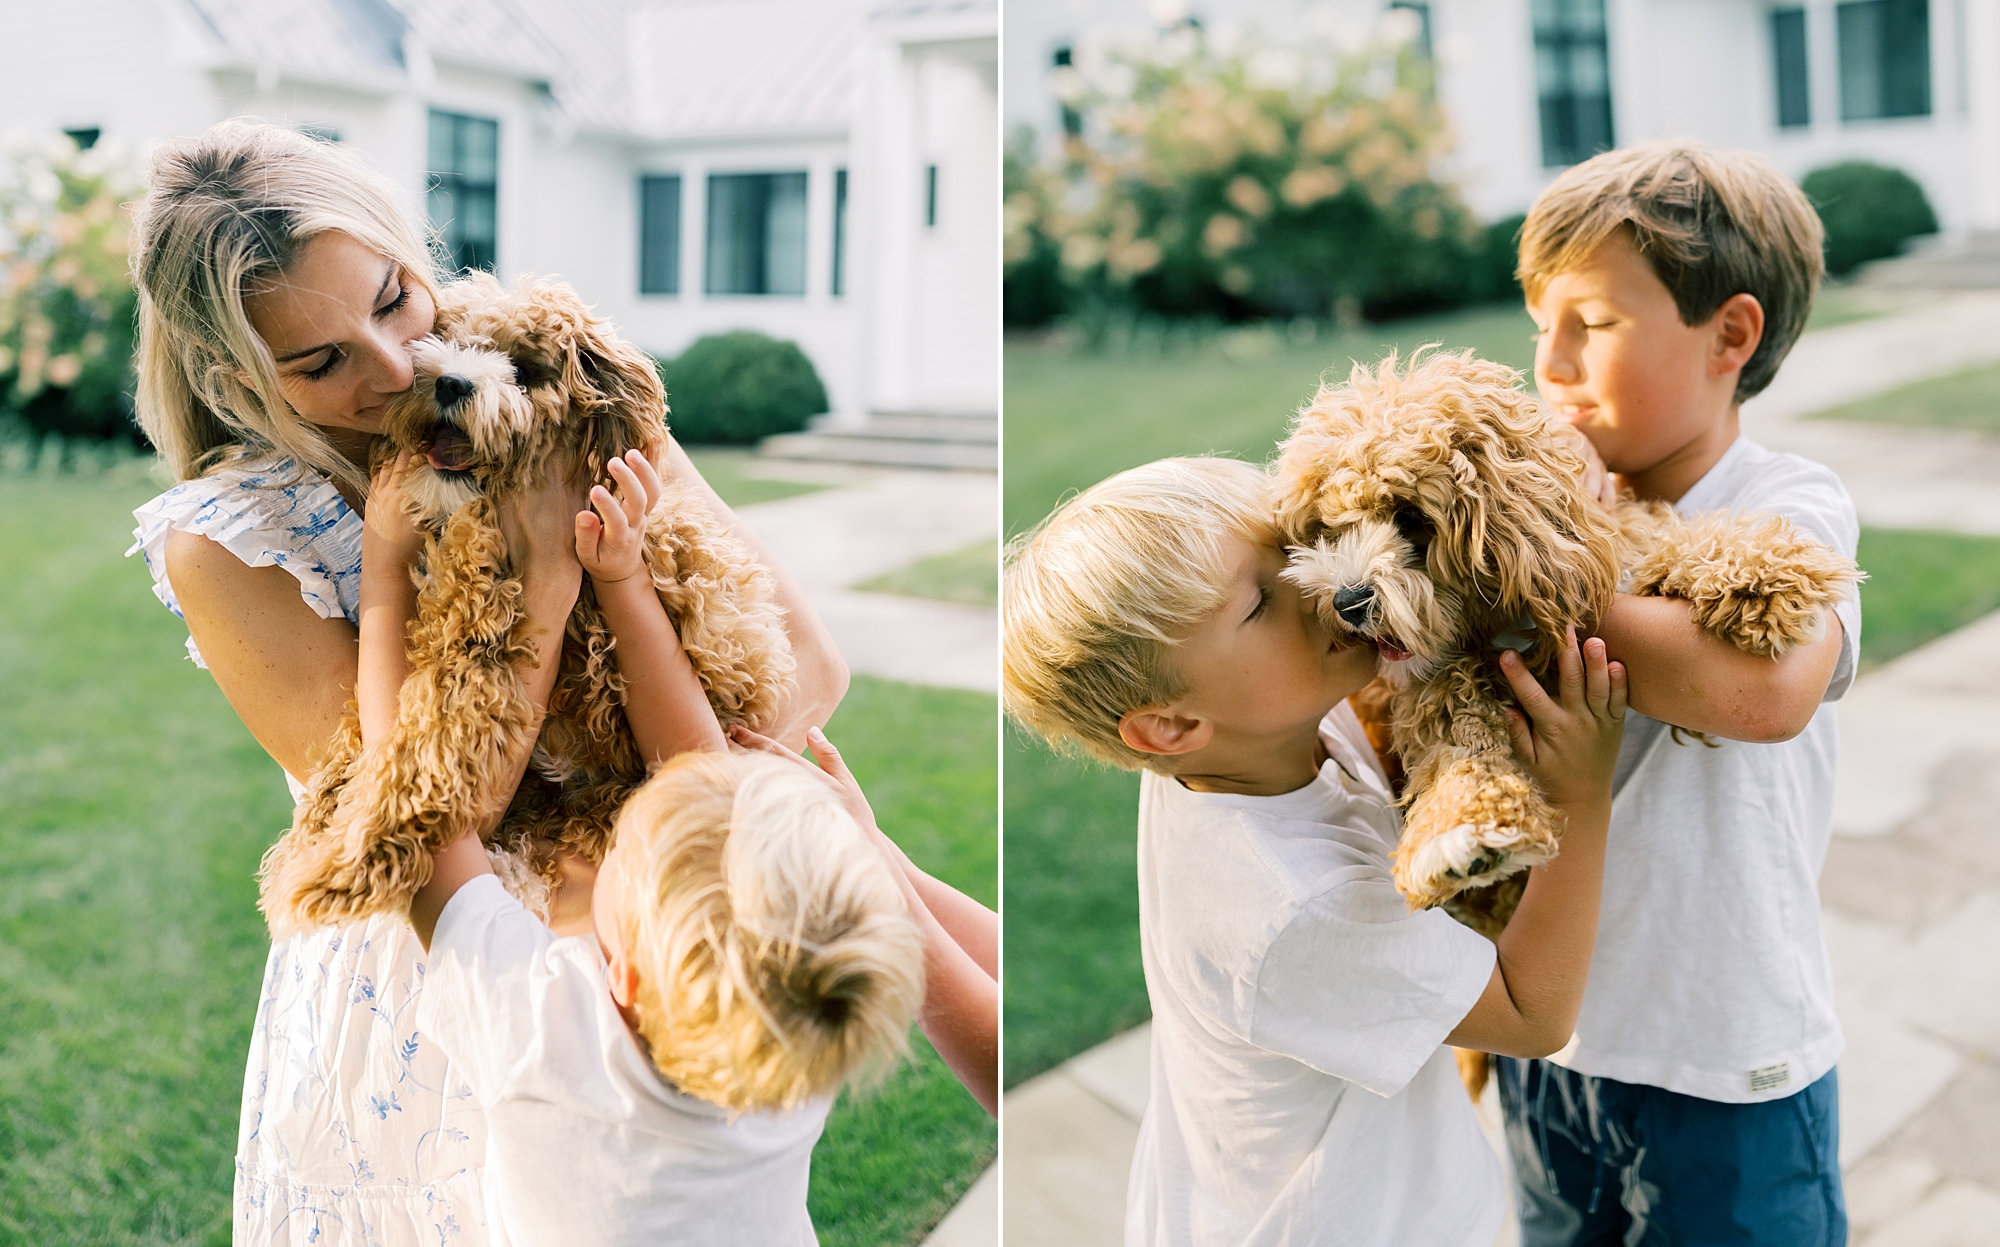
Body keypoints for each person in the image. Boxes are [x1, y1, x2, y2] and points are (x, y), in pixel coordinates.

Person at [125, 119, 847, 1246]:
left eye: (393, 300)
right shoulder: (230, 541)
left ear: (414, 253)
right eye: (320, 361)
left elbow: (804, 672)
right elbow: (425, 823)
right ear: (237, 376)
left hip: (645, 947)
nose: (393, 367)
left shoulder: (549, 383)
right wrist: (551, 576)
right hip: (434, 991)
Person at [1002, 456, 1627, 1246]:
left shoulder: (1253, 736)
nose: (1323, 584)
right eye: (1262, 602)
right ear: (1172, 725)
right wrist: (1580, 794)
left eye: (1296, 545)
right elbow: (1533, 1013)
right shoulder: (1290, 903)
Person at [1506, 140, 1861, 1242]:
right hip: (1550, 1043)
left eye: (1592, 322)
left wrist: (1520, 566)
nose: (1551, 361)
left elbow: (1762, 689)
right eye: (1539, 323)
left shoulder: (1787, 504)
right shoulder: (1545, 513)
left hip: (1727, 1064)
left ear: (1729, 336)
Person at [409, 742, 927, 1247]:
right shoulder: (801, 1041)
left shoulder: (541, 1030)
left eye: (622, 847)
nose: (613, 843)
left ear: (627, 978)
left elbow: (420, 809)